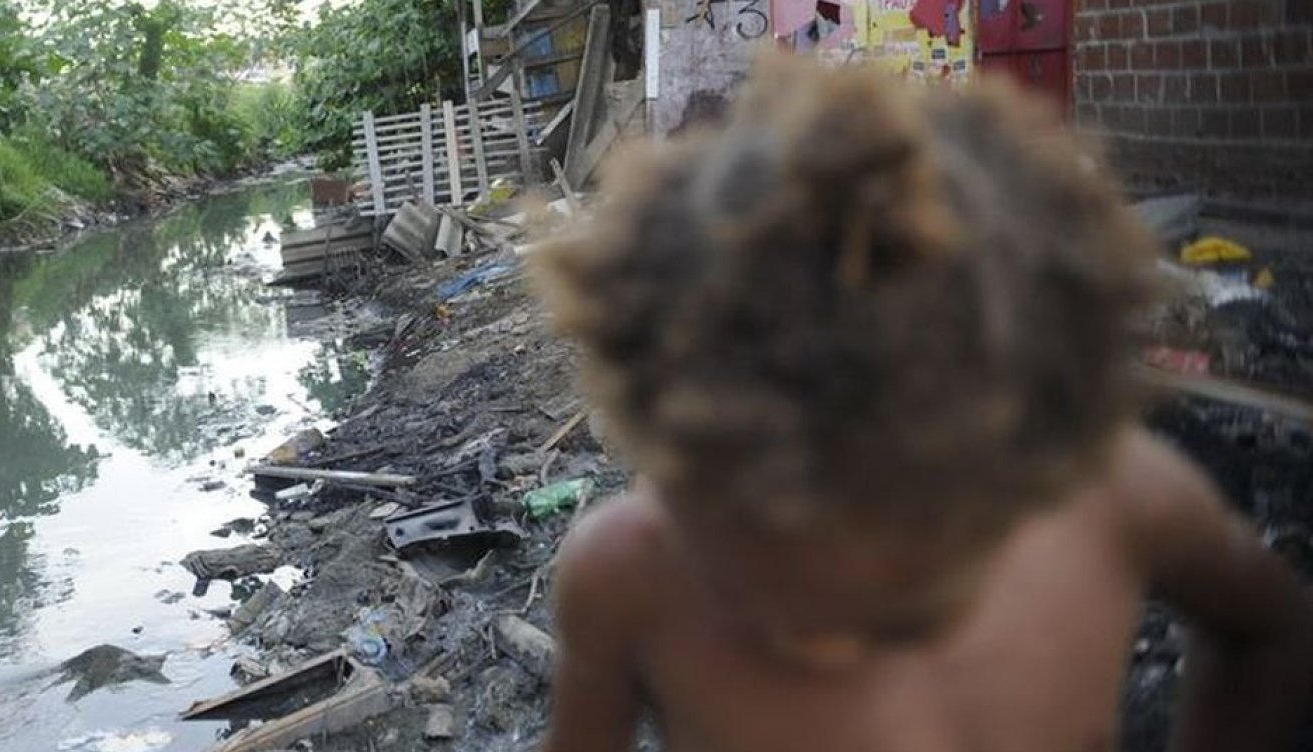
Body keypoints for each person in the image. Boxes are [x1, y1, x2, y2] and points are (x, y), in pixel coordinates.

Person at [532, 52, 1313, 752]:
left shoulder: (1108, 492)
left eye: (909, 591)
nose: (822, 651)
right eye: (766, 562)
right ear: (676, 461)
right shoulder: (627, 575)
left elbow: (1266, 631)